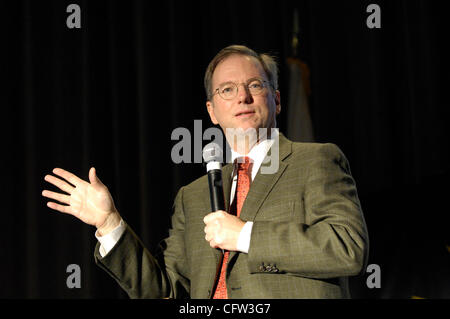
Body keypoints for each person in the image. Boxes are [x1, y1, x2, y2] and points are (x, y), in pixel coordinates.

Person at [42, 45, 369, 299]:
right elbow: (164, 290)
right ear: (212, 111)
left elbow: (348, 248)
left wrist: (244, 236)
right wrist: (110, 223)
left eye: (255, 84)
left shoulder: (315, 160)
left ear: (277, 100)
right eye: (227, 89)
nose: (242, 96)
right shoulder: (193, 195)